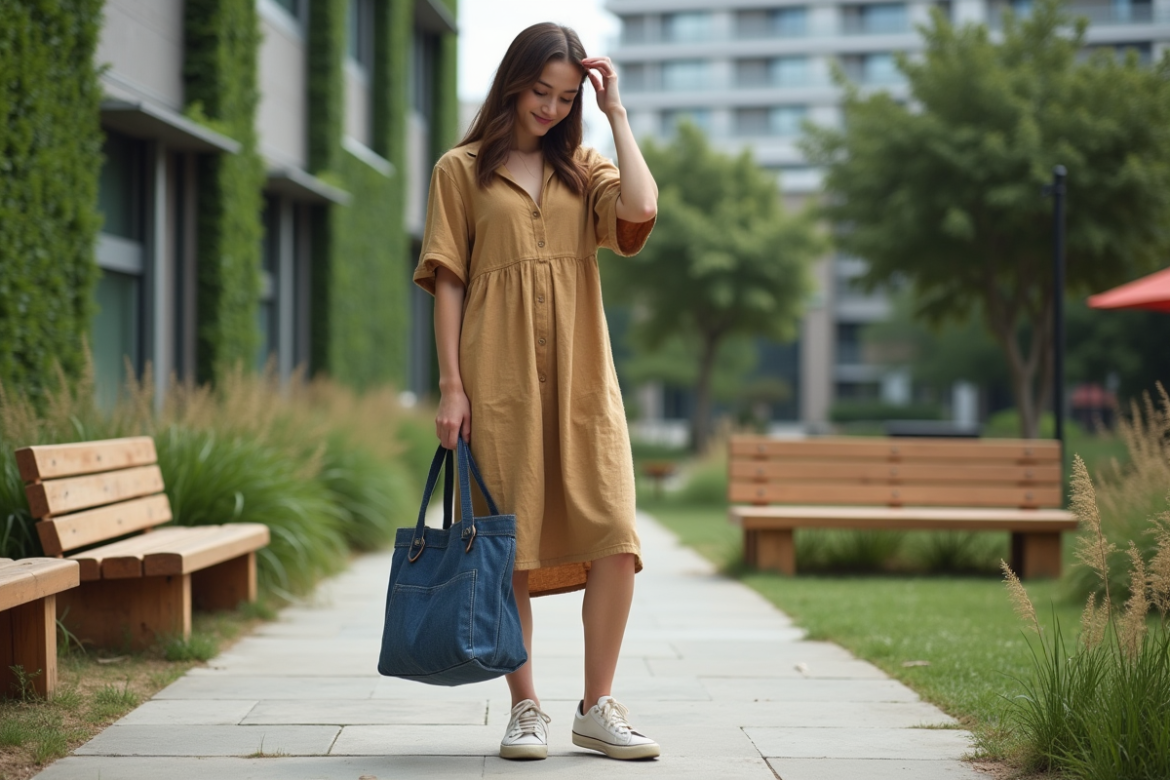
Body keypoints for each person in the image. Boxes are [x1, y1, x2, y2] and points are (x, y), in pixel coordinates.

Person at [412, 22, 659, 762]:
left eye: (564, 96)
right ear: (513, 82)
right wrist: (452, 387)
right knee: (507, 546)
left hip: (585, 385)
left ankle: (598, 706)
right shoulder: (460, 170)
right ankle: (527, 709)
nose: (549, 108)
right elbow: (447, 281)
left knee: (615, 536)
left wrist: (616, 115)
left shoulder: (586, 168)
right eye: (538, 91)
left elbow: (641, 210)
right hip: (499, 383)